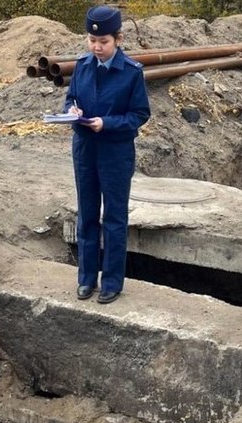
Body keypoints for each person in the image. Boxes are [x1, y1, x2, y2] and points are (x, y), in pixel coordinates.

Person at [63, 5, 151, 304]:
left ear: (118, 39)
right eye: (92, 41)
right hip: (85, 149)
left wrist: (107, 123)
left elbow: (139, 114)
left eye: (103, 42)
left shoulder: (131, 73)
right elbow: (70, 97)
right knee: (87, 213)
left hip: (115, 152)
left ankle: (112, 281)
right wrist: (71, 111)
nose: (97, 47)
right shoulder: (82, 66)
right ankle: (87, 278)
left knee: (113, 217)